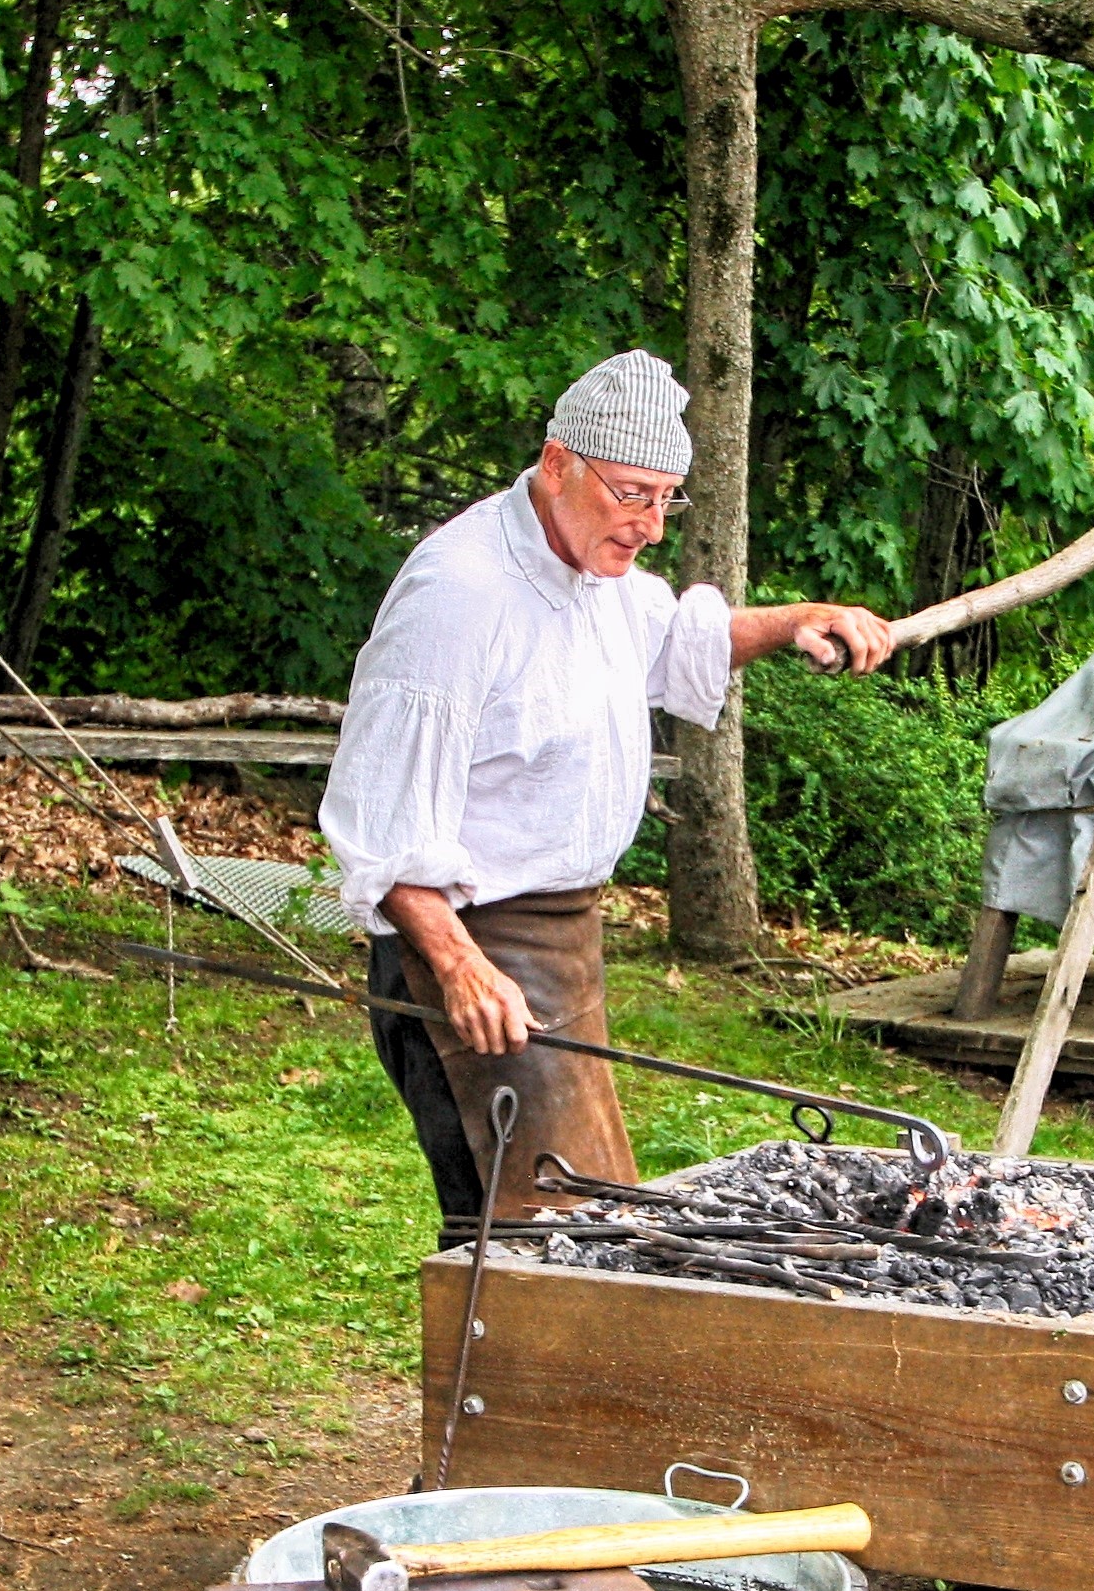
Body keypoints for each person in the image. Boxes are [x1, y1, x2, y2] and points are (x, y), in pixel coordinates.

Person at [322, 350, 894, 1236]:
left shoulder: (594, 573)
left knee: (586, 1221)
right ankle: (490, 1376)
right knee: (517, 1230)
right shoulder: (459, 595)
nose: (651, 526)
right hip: (470, 954)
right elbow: (383, 815)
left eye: (667, 498)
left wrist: (791, 623)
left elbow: (674, 644)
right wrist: (461, 965)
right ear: (558, 464)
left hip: (564, 942)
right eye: (633, 494)